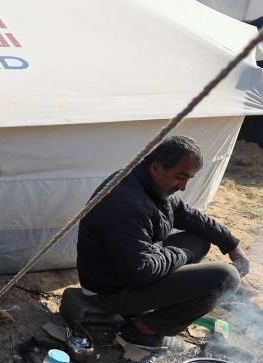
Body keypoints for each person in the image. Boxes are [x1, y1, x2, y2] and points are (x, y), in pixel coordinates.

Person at [76, 135, 248, 351]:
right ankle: (144, 329)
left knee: (201, 239)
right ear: (156, 167)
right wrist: (182, 255)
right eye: (181, 177)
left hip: (130, 267)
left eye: (189, 179)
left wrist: (231, 244)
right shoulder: (128, 204)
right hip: (109, 292)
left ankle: (155, 308)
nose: (184, 186)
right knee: (227, 278)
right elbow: (141, 272)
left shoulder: (147, 182)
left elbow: (187, 214)